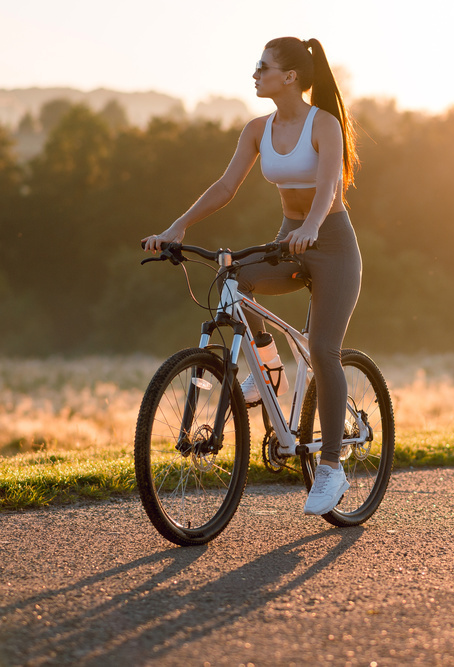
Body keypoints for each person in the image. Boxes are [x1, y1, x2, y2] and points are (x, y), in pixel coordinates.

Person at [142, 37, 361, 516]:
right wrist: (178, 226)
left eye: (263, 67)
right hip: (289, 239)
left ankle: (330, 468)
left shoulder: (323, 124)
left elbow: (328, 188)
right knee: (234, 278)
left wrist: (311, 226)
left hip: (332, 244)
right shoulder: (257, 129)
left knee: (324, 350)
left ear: (290, 77)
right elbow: (225, 186)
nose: (255, 73)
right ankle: (273, 372)